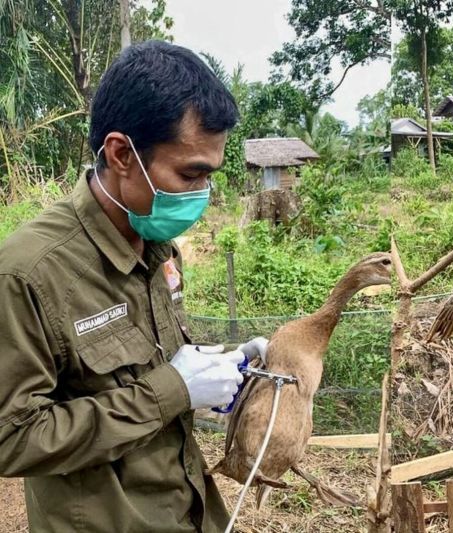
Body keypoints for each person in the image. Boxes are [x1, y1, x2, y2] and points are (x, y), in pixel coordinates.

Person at [0, 41, 268, 531]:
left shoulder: (157, 245)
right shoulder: (29, 274)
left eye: (209, 177)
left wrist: (215, 366)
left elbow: (146, 364)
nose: (202, 195)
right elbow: (11, 437)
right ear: (122, 153)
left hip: (186, 511)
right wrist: (172, 389)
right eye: (191, 174)